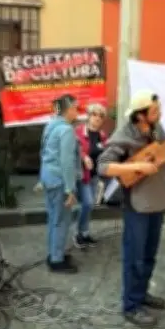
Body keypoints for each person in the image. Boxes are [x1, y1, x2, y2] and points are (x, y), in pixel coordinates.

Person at [97, 90, 165, 328]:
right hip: (137, 204)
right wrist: (140, 164)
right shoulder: (124, 136)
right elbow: (102, 166)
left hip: (158, 199)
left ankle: (141, 294)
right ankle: (131, 306)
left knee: (150, 254)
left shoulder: (157, 131)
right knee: (135, 257)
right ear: (140, 115)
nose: (159, 113)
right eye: (154, 111)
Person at [39, 94, 83, 274]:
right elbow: (67, 162)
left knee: (53, 219)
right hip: (59, 180)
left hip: (49, 178)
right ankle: (57, 259)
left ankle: (54, 253)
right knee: (61, 220)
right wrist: (70, 189)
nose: (77, 111)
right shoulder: (66, 130)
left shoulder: (50, 125)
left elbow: (43, 152)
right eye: (75, 108)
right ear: (68, 109)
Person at [73, 103, 108, 248]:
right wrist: (84, 157)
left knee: (90, 205)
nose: (97, 118)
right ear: (89, 116)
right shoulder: (79, 132)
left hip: (95, 176)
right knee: (86, 203)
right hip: (82, 175)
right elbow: (74, 149)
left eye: (101, 116)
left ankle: (85, 234)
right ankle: (77, 233)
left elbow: (107, 153)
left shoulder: (102, 135)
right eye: (94, 114)